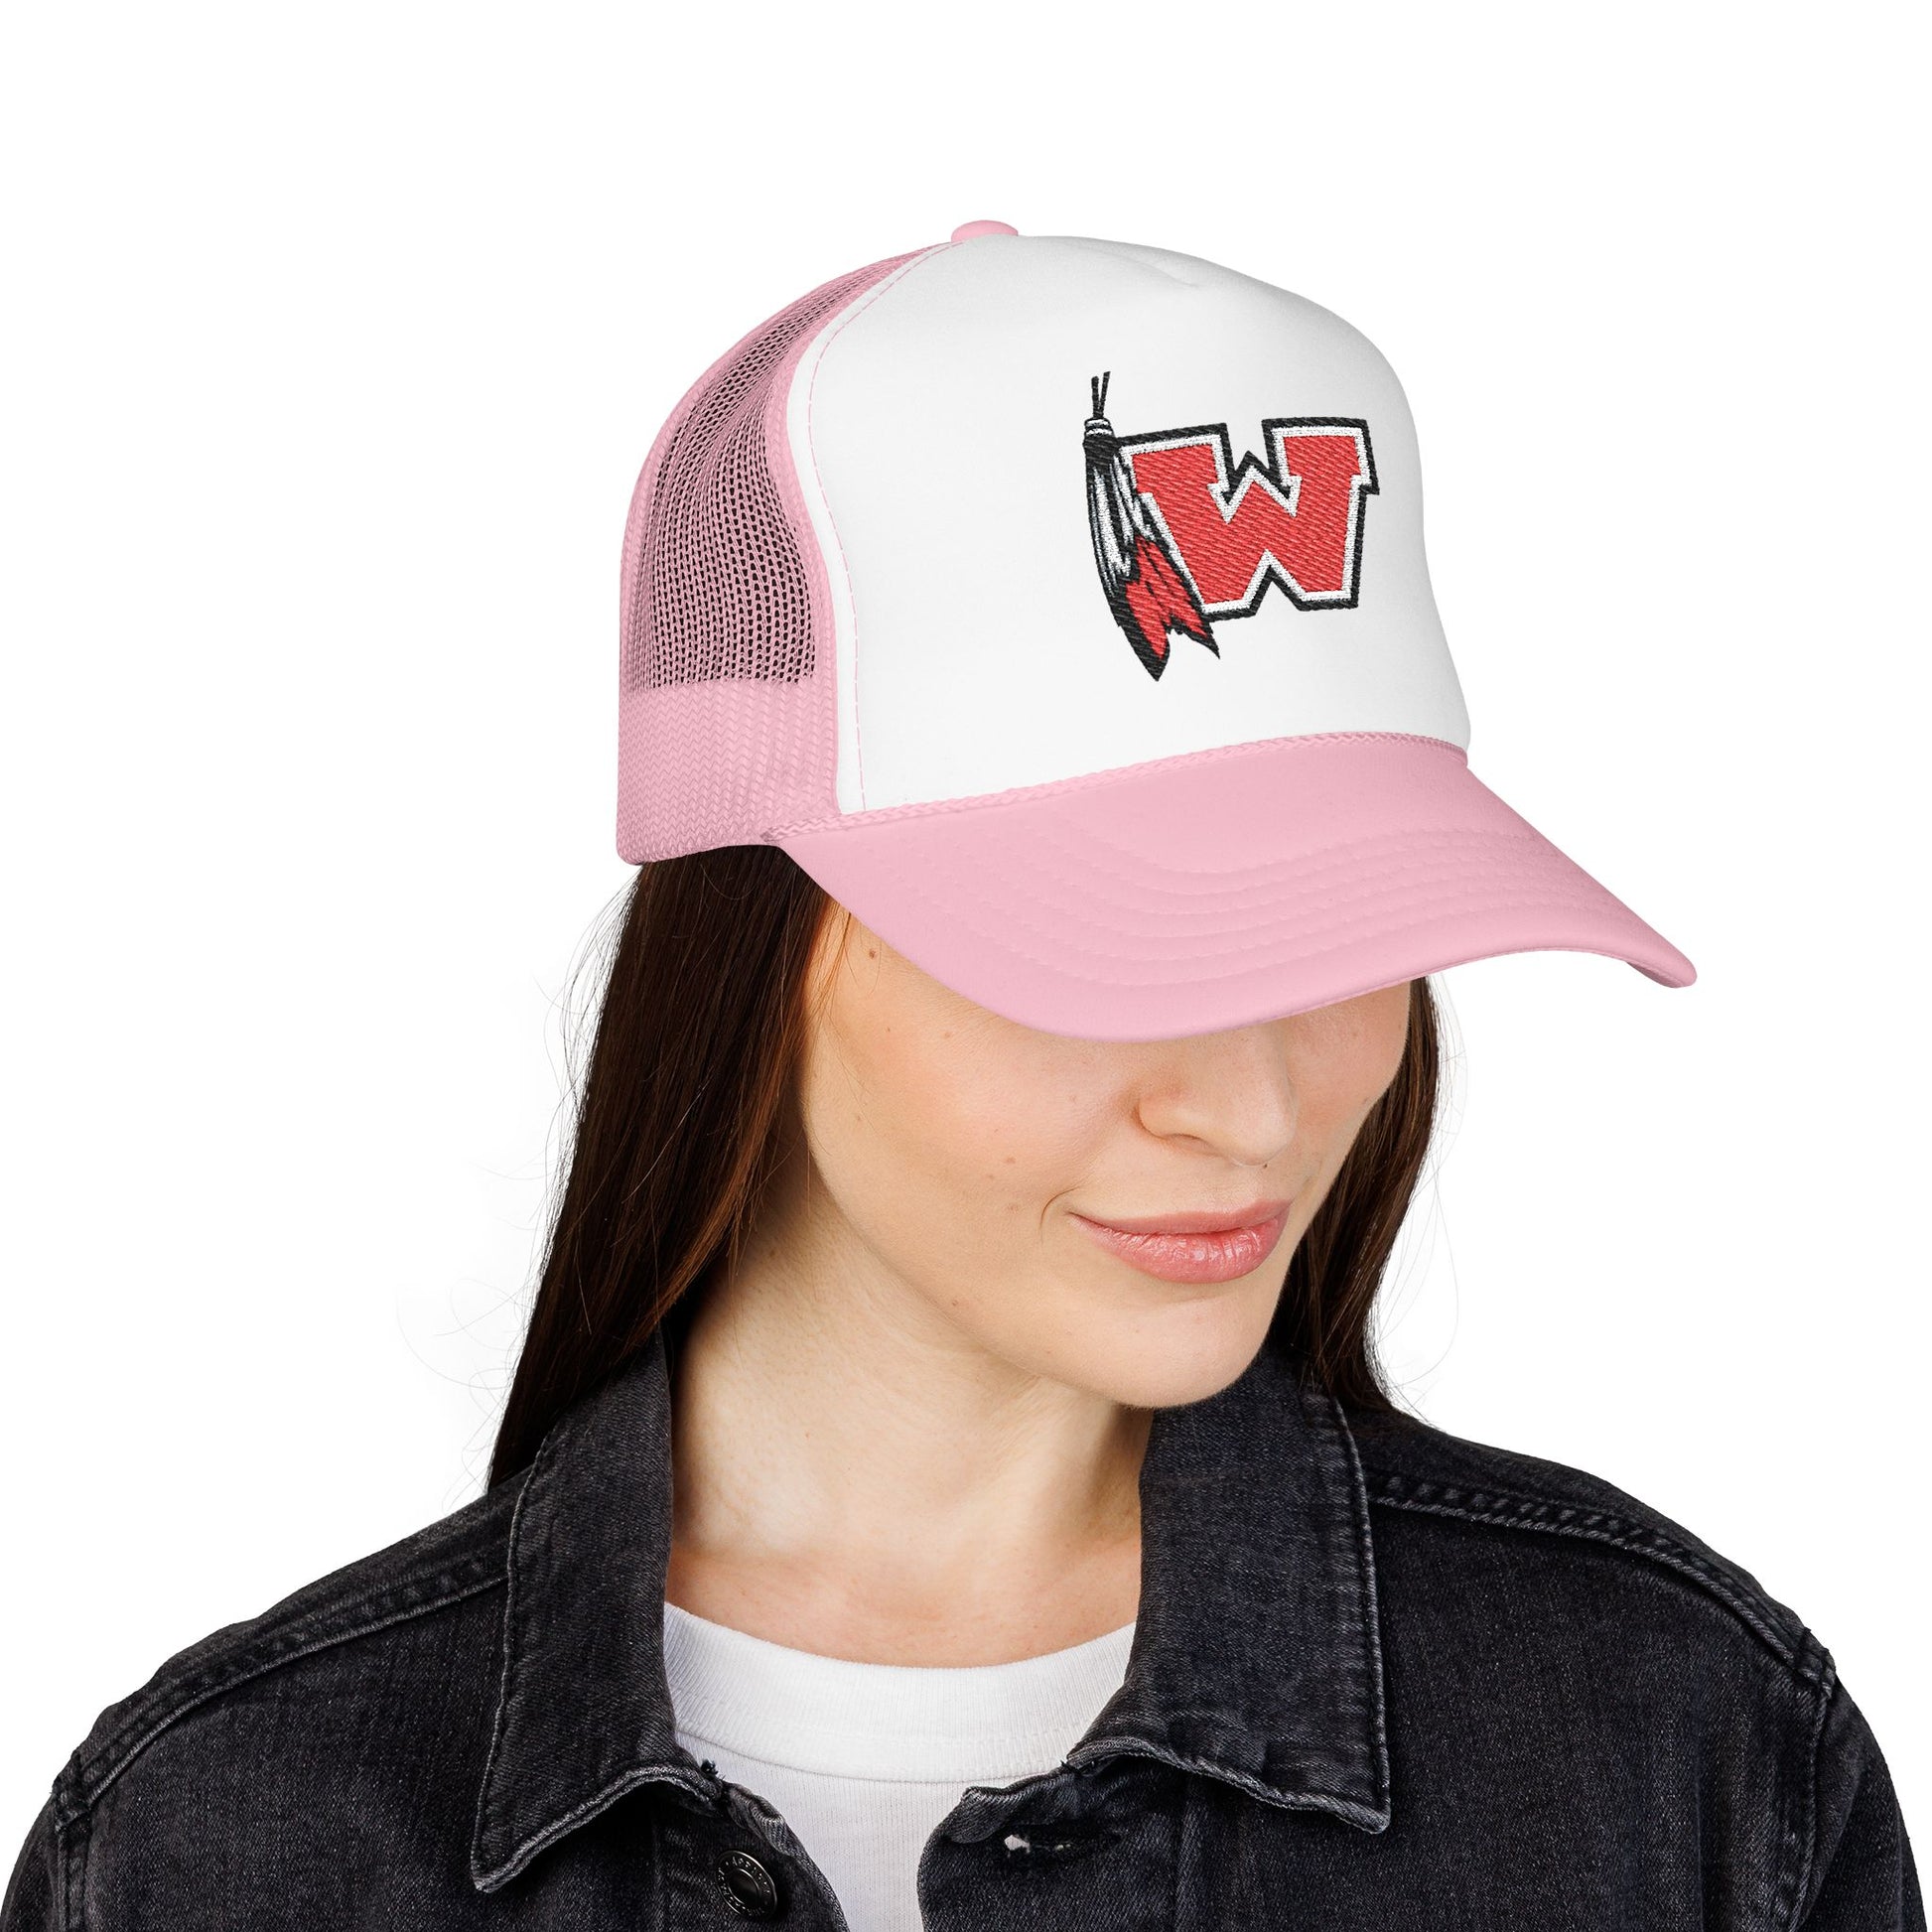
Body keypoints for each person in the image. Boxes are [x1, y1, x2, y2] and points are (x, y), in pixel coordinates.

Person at [3, 223, 1919, 1932]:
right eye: (1118, 949)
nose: (1255, 1111)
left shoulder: (1689, 1755)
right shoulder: (208, 1841)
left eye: (1347, 931)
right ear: (757, 946)